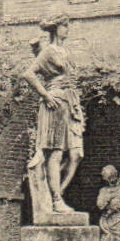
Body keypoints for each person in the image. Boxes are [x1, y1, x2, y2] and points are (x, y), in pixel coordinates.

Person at [21, 14, 85, 216]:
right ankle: (56, 200)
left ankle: (57, 192)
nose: (67, 29)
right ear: (56, 28)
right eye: (65, 26)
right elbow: (28, 74)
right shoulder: (48, 51)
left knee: (75, 154)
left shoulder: (64, 51)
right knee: (55, 152)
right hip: (55, 102)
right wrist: (45, 95)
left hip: (69, 102)